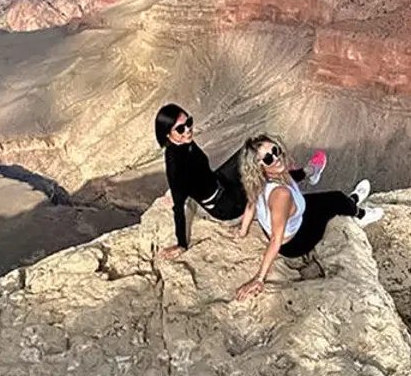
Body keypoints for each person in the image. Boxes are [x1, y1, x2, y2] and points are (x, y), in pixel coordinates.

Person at [154, 103, 326, 260]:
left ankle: (289, 171)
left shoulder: (185, 142)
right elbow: (178, 207)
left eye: (189, 122)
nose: (188, 130)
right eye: (181, 128)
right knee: (258, 172)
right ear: (168, 135)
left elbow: (199, 172)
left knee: (251, 151)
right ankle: (308, 172)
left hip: (219, 180)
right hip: (224, 204)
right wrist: (181, 245)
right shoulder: (175, 165)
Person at [233, 134, 382, 301]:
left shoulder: (259, 180)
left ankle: (311, 172)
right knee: (336, 199)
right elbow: (276, 239)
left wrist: (242, 231)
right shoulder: (280, 195)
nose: (276, 158)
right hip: (297, 241)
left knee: (296, 182)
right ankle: (359, 214)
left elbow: (251, 204)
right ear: (259, 165)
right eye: (268, 158)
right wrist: (259, 279)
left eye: (275, 150)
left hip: (291, 217)